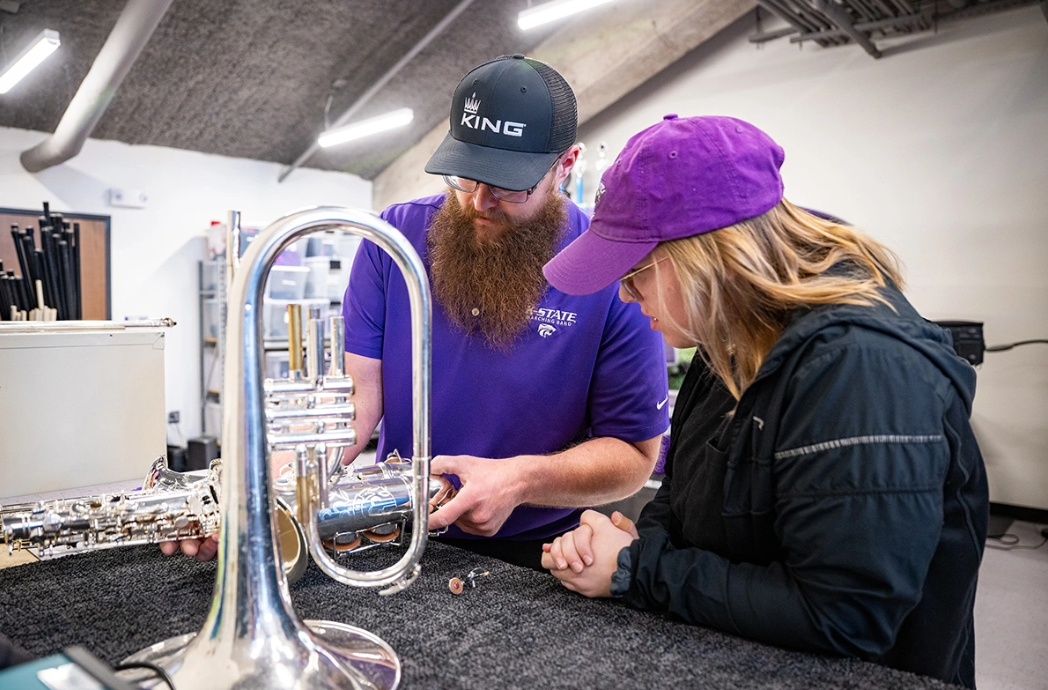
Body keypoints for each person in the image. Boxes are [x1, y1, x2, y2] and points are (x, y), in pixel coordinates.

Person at [164, 56, 669, 570]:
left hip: (540, 556)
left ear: (566, 165)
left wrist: (519, 481)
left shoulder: (607, 267)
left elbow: (633, 457)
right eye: (465, 176)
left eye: (510, 185)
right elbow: (358, 405)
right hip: (399, 534)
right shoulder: (395, 240)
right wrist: (271, 488)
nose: (479, 202)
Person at [539, 114, 988, 688]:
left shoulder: (863, 372)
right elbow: (679, 496)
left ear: (706, 256)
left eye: (636, 272)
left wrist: (635, 570)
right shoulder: (725, 338)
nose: (625, 293)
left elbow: (845, 616)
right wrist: (632, 543)